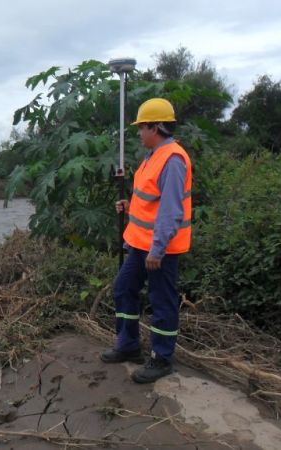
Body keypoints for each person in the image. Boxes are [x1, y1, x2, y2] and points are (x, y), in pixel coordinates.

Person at [100, 98, 193, 384]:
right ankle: (128, 345)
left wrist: (158, 249)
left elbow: (171, 210)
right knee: (123, 288)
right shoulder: (153, 155)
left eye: (142, 127)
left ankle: (162, 358)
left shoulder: (173, 159)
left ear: (156, 126)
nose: (139, 133)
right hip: (140, 246)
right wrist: (129, 206)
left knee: (161, 302)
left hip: (159, 250)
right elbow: (150, 202)